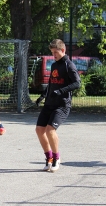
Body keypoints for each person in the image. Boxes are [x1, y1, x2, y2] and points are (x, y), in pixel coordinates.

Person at [35, 39, 81, 172]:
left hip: (62, 105)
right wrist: (43, 96)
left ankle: (56, 158)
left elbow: (77, 83)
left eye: (55, 52)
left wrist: (61, 91)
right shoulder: (54, 65)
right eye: (52, 52)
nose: (53, 54)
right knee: (39, 130)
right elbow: (51, 83)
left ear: (63, 50)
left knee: (50, 130)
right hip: (49, 103)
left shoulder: (69, 65)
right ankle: (48, 158)